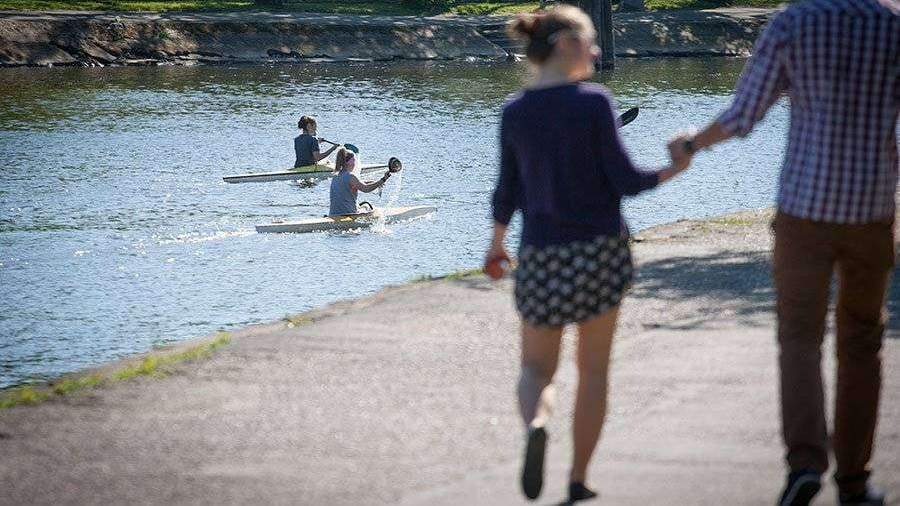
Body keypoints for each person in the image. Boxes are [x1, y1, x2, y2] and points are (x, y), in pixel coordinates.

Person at [667, 2, 898, 505]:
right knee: (861, 343)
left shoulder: (793, 23)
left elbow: (744, 114)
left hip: (804, 211)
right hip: (871, 212)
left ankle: (804, 466)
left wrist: (692, 143)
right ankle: (854, 483)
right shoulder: (894, 24)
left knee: (799, 338)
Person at [485, 5, 691, 503]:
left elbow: (506, 191)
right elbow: (626, 181)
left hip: (541, 257)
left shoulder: (515, 112)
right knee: (594, 371)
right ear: (563, 46)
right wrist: (674, 168)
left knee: (536, 370)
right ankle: (578, 481)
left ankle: (536, 423)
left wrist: (495, 246)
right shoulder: (595, 104)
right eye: (590, 42)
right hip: (600, 253)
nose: (597, 52)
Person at [329, 147, 391, 216]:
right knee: (367, 205)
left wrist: (373, 182)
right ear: (348, 162)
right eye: (354, 160)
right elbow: (366, 189)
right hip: (348, 214)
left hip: (333, 214)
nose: (355, 163)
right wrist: (383, 180)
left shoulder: (335, 176)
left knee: (362, 205)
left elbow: (357, 183)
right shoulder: (351, 176)